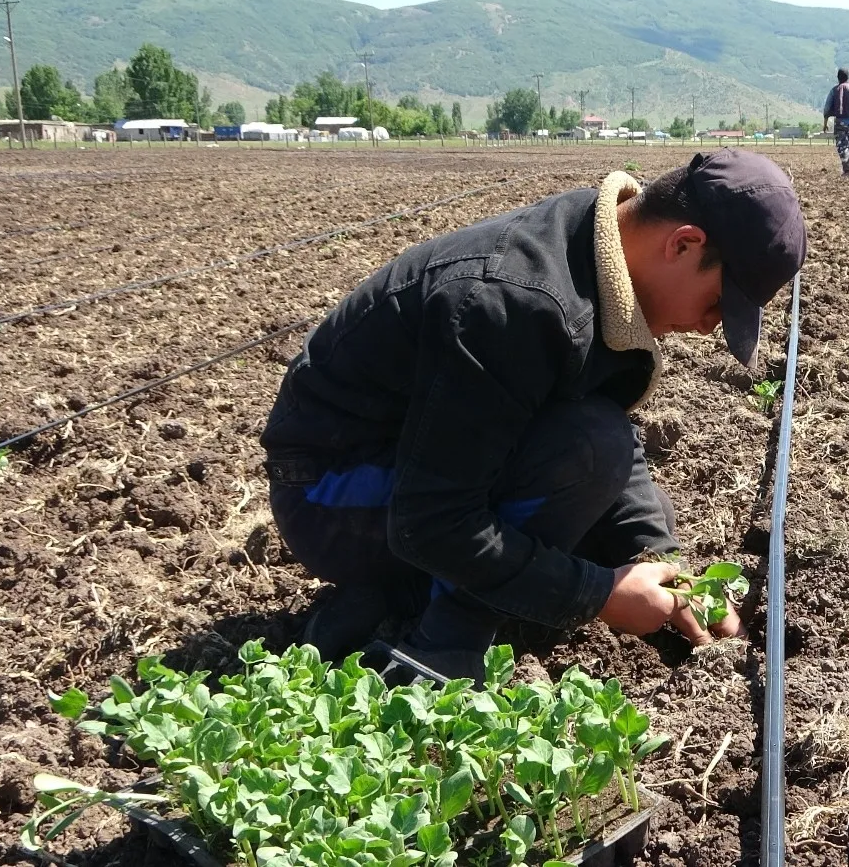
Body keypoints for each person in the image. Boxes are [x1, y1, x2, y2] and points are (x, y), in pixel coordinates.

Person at [260, 149, 808, 680]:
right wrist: (596, 596)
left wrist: (659, 560)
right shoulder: (513, 303)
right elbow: (430, 521)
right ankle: (440, 646)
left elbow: (607, 442)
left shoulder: (601, 252)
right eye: (717, 303)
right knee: (592, 455)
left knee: (625, 508)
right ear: (683, 245)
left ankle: (395, 596)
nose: (710, 326)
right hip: (329, 496)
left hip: (407, 472)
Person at [822, 68, 849, 177]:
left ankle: (847, 169)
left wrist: (825, 123)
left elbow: (827, 108)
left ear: (838, 78)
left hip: (840, 124)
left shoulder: (834, 91)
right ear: (848, 78)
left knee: (843, 147)